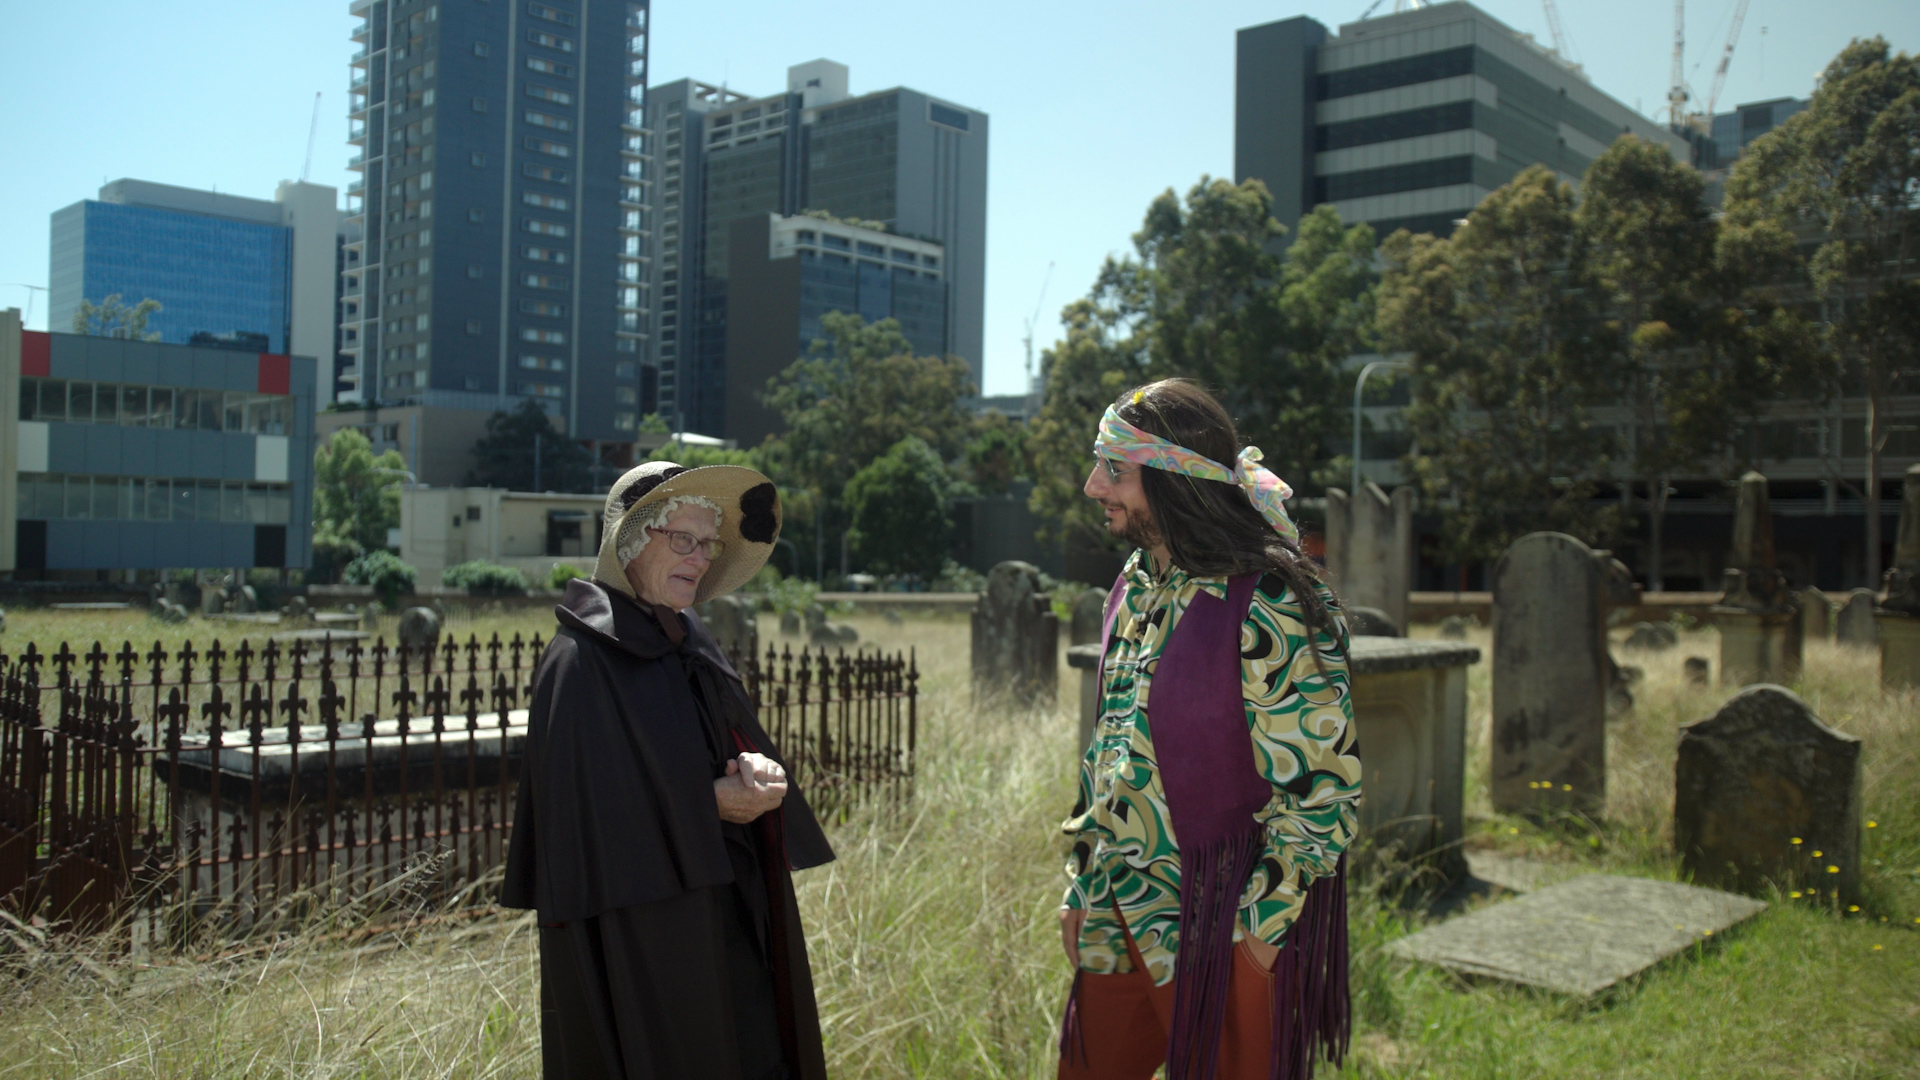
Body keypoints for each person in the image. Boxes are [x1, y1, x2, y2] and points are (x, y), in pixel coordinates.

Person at [1056, 380, 1362, 1080]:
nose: (1090, 485)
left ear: (1173, 479)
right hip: (1117, 910)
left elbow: (1324, 793)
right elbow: (1108, 742)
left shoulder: (1274, 603)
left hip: (1219, 929)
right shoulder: (1135, 583)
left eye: (1113, 468)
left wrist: (1254, 941)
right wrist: (1082, 880)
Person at [502, 460, 835, 1080]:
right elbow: (580, 820)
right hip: (639, 935)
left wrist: (754, 766)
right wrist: (707, 804)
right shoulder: (579, 661)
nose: (701, 557)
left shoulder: (688, 643)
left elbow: (716, 747)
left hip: (726, 908)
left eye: (707, 544)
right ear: (629, 542)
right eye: (682, 538)